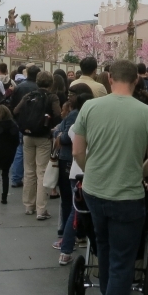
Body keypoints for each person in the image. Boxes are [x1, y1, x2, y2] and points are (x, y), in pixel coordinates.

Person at [72, 59, 148, 295]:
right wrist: (137, 173)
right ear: (137, 80)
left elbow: (77, 150)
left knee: (104, 249)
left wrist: (93, 172)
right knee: (124, 260)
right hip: (128, 195)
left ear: (110, 78)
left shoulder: (89, 108)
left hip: (95, 192)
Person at [14, 71, 62, 219]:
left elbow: (16, 110)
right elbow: (58, 114)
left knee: (29, 171)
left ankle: (28, 205)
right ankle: (41, 209)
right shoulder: (52, 97)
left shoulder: (29, 95)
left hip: (28, 136)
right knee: (42, 172)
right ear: (51, 83)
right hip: (43, 137)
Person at [53, 86, 92, 264]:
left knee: (76, 210)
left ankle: (66, 249)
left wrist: (59, 133)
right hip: (91, 172)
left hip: (76, 171)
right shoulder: (97, 121)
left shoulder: (77, 122)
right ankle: (73, 247)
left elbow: (67, 136)